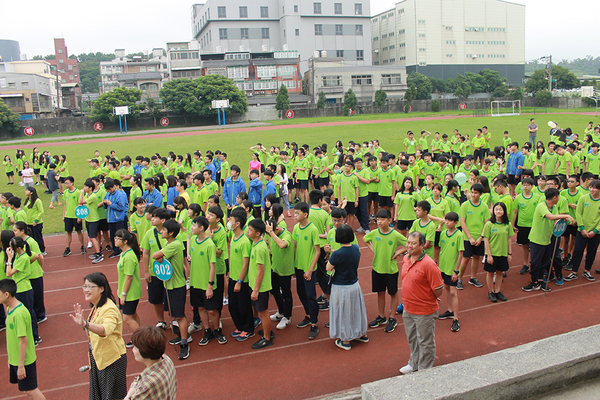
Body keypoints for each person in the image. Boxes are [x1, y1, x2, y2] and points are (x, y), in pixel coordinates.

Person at [70, 272, 127, 400]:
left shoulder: (109, 308)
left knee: (111, 397)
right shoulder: (96, 306)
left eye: (90, 287)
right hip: (99, 360)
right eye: (84, 287)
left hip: (111, 361)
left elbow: (105, 329)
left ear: (101, 289)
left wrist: (85, 323)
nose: (86, 290)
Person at [399, 231, 444, 375]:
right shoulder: (406, 258)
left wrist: (428, 297)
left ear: (422, 245)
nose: (409, 246)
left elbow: (438, 288)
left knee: (425, 341)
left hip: (424, 310)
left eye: (413, 243)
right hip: (408, 307)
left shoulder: (429, 264)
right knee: (412, 338)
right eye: (408, 242)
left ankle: (425, 368)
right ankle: (413, 363)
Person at [0, 279, 46, 400]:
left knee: (31, 390)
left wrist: (20, 366)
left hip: (24, 361)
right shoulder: (10, 309)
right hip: (16, 359)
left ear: (6, 294)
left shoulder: (19, 314)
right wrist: (11, 359)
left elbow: (23, 340)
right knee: (27, 390)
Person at [363, 209, 407, 333]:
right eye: (377, 219)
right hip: (377, 268)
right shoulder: (374, 232)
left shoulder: (396, 235)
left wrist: (398, 252)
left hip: (391, 270)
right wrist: (373, 249)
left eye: (382, 219)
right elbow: (365, 240)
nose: (379, 222)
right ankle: (381, 316)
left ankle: (392, 318)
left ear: (389, 220)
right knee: (380, 293)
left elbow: (408, 244)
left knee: (393, 293)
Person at [326, 224, 368, 350]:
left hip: (341, 287)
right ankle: (362, 334)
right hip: (354, 285)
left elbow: (328, 267)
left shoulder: (337, 254)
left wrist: (330, 254)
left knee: (343, 313)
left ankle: (345, 340)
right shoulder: (355, 248)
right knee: (356, 310)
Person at [523, 188, 574, 292]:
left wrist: (560, 222)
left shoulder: (554, 207)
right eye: (558, 197)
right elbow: (550, 217)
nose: (559, 199)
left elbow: (555, 219)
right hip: (537, 239)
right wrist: (567, 216)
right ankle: (534, 282)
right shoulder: (541, 206)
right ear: (555, 197)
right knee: (536, 262)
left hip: (547, 238)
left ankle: (541, 280)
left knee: (545, 261)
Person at [152, 219, 190, 359]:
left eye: (163, 230)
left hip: (176, 285)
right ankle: (182, 335)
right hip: (168, 284)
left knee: (179, 316)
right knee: (174, 314)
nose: (161, 231)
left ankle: (185, 342)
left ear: (171, 232)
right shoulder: (168, 243)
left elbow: (156, 255)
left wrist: (159, 256)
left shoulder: (175, 244)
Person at [292, 202, 321, 340]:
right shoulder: (296, 228)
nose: (294, 215)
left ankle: (314, 323)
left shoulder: (313, 229)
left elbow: (317, 251)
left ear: (305, 214)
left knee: (310, 296)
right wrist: (294, 265)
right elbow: (295, 246)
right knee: (301, 293)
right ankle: (309, 315)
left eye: (297, 213)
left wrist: (310, 269)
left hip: (309, 268)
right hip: (299, 266)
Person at [124, 326, 177, 400]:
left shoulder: (148, 384)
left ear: (145, 351)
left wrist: (127, 397)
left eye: (136, 348)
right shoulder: (166, 359)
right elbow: (139, 379)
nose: (133, 350)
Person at [246, 218, 274, 349]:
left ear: (258, 233)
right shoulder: (257, 243)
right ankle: (267, 330)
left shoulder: (259, 248)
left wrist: (256, 289)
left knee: (263, 312)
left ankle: (267, 338)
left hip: (261, 287)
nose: (247, 231)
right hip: (256, 285)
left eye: (250, 230)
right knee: (261, 311)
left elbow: (261, 271)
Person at [457, 183, 490, 290]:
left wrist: (481, 237)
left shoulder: (484, 206)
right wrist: (470, 237)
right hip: (467, 237)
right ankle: (460, 278)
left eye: (476, 193)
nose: (473, 194)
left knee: (476, 257)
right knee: (465, 258)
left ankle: (473, 277)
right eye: (472, 192)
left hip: (479, 237)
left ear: (480, 194)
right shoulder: (465, 205)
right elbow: (462, 222)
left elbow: (486, 223)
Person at [566, 179, 600, 281]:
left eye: (594, 188)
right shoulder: (583, 198)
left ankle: (587, 271)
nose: (592, 190)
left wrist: (595, 231)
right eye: (590, 187)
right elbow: (579, 214)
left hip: (596, 233)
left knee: (591, 252)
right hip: (582, 231)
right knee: (578, 250)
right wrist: (582, 228)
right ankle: (574, 271)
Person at [115, 229, 143, 347]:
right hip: (127, 291)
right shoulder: (124, 253)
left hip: (130, 293)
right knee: (133, 314)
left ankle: (141, 340)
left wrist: (124, 293)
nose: (115, 240)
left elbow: (129, 277)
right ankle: (139, 336)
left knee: (127, 318)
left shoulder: (129, 257)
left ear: (125, 241)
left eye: (118, 238)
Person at [437, 212, 463, 332]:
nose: (447, 222)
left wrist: (456, 271)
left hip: (452, 268)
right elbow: (441, 249)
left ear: (455, 223)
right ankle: (449, 310)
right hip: (443, 267)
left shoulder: (459, 235)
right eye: (446, 220)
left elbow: (460, 253)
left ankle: (456, 319)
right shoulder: (443, 233)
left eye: (450, 221)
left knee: (453, 292)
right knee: (446, 288)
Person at [483, 202, 513, 303]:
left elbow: (509, 239)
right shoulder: (489, 224)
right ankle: (490, 292)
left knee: (500, 272)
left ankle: (497, 291)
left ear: (504, 211)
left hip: (503, 253)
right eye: (496, 209)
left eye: (500, 209)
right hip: (492, 253)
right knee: (490, 273)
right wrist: (489, 255)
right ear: (493, 211)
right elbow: (486, 240)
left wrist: (509, 253)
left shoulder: (507, 224)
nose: (498, 211)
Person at [103, 179, 128, 259]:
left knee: (120, 235)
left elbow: (121, 207)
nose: (109, 191)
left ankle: (122, 249)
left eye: (110, 189)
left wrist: (111, 204)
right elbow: (105, 206)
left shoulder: (119, 195)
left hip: (118, 219)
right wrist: (105, 203)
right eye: (107, 190)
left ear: (114, 186)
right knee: (113, 235)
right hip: (111, 219)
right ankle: (116, 250)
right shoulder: (108, 194)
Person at [62, 176, 85, 257]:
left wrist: (79, 216)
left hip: (76, 215)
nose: (66, 185)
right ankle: (67, 248)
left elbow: (80, 204)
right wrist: (64, 215)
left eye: (67, 183)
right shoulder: (66, 192)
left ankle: (82, 246)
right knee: (68, 232)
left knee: (79, 231)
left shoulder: (78, 192)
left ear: (72, 183)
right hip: (68, 215)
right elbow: (65, 204)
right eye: (65, 183)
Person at [24, 187, 45, 255]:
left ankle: (42, 250)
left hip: (36, 223)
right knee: (31, 237)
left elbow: (41, 211)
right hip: (28, 222)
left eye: (27, 190)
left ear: (31, 192)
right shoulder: (27, 200)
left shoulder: (37, 201)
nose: (25, 191)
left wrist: (36, 220)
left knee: (37, 237)